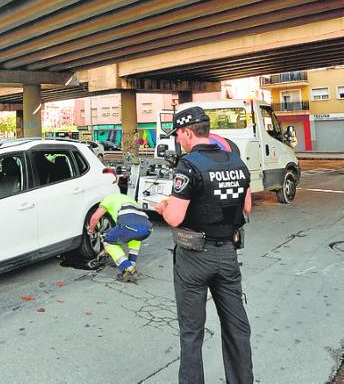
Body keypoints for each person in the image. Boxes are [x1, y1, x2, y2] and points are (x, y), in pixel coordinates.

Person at [154, 106, 253, 384]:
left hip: (194, 257)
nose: (178, 140)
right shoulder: (236, 162)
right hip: (228, 255)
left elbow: (174, 217)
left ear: (187, 132)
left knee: (191, 333)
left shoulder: (189, 165)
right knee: (237, 328)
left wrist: (163, 207)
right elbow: (246, 207)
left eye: (178, 135)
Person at [88, 193, 152, 281]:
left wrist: (91, 230)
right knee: (134, 237)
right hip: (147, 228)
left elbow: (95, 217)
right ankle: (131, 264)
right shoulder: (128, 199)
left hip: (128, 225)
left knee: (108, 241)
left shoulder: (107, 200)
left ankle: (128, 269)